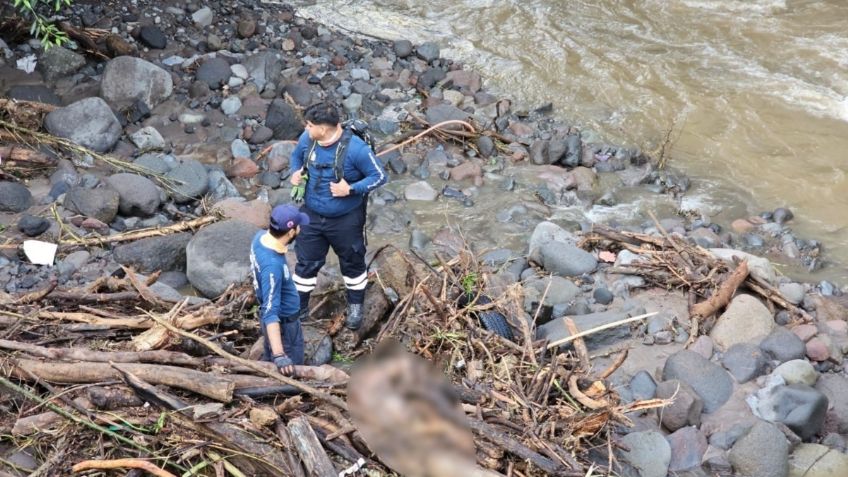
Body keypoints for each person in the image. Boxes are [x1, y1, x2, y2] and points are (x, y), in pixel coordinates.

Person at [289, 102, 388, 330]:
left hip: (346, 219)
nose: (306, 129)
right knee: (306, 263)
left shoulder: (357, 149)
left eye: (309, 125)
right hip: (312, 214)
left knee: (352, 262)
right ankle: (300, 309)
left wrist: (350, 189)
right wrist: (295, 173)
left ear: (323, 129)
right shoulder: (308, 140)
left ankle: (355, 307)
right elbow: (296, 157)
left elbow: (380, 176)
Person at [250, 204, 310, 375]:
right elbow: (270, 312)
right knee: (291, 368)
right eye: (298, 226)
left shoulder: (260, 237)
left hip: (282, 320)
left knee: (271, 359)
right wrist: (280, 354)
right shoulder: (272, 266)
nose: (300, 229)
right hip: (284, 326)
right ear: (291, 232)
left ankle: (271, 363)